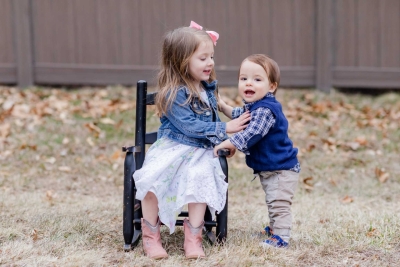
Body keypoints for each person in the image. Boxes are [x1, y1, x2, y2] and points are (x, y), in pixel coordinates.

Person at [133, 21, 250, 259]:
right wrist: (225, 128)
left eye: (211, 57)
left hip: (201, 151)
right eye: (203, 58)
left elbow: (222, 108)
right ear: (181, 61)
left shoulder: (206, 88)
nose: (210, 63)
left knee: (200, 178)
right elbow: (190, 125)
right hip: (172, 148)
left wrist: (244, 114)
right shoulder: (174, 92)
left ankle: (193, 237)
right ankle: (150, 236)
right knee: (152, 178)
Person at [214, 54, 300, 248]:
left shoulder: (265, 110)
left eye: (257, 79)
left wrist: (229, 143)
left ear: (272, 86)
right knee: (272, 199)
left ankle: (282, 237)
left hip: (281, 168)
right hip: (272, 167)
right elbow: (238, 115)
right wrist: (222, 105)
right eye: (243, 79)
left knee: (278, 203)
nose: (248, 83)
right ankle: (274, 227)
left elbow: (252, 132)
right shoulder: (255, 107)